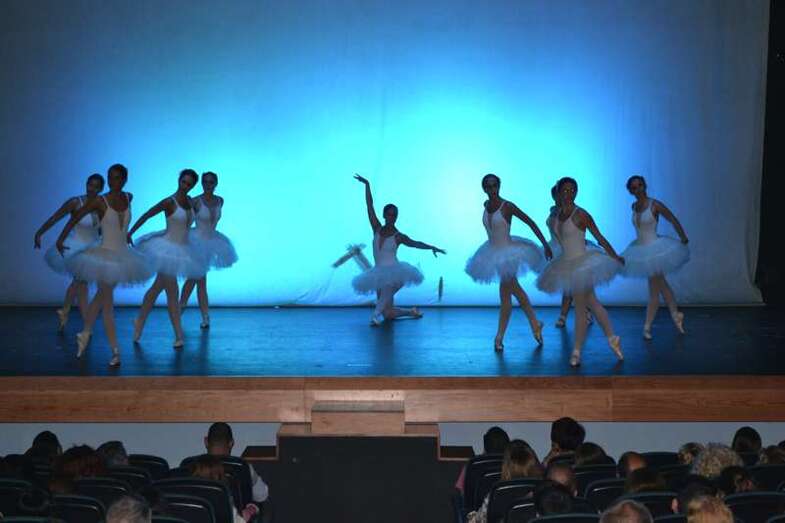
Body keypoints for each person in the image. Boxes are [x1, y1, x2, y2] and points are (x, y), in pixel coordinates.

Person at [57, 164, 152, 366]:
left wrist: (127, 234)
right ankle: (115, 351)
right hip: (104, 256)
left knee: (101, 299)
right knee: (107, 305)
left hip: (123, 257)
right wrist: (60, 239)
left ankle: (85, 333)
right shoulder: (100, 201)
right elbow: (75, 217)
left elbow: (121, 227)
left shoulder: (129, 197)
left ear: (124, 180)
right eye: (110, 177)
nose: (112, 181)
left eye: (116, 177)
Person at [537, 177, 624, 366]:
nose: (569, 194)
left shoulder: (581, 214)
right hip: (566, 263)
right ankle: (612, 338)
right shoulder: (555, 217)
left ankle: (576, 351)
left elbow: (599, 237)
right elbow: (560, 238)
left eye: (572, 190)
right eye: (565, 190)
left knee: (581, 306)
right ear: (558, 192)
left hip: (583, 264)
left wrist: (615, 256)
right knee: (592, 303)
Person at [465, 174, 552, 350]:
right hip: (492, 254)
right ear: (484, 189)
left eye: (494, 185)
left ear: (499, 186)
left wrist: (545, 245)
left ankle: (501, 337)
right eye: (488, 186)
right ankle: (534, 325)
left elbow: (531, 223)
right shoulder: (486, 205)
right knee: (511, 294)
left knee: (508, 294)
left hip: (509, 254)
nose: (492, 189)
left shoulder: (507, 206)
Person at [351, 175, 445, 325]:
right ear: (384, 215)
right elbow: (370, 206)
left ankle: (375, 315)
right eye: (389, 214)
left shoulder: (398, 236)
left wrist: (432, 247)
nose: (392, 217)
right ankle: (411, 312)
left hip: (395, 272)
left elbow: (415, 243)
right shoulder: (376, 228)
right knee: (388, 313)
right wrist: (367, 185)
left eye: (394, 215)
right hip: (378, 273)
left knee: (386, 294)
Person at [130, 169, 208, 347]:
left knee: (156, 289)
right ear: (179, 180)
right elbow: (148, 214)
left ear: (193, 186)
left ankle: (139, 321)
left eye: (189, 184)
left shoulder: (190, 201)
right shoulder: (169, 201)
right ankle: (178, 335)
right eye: (183, 182)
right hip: (166, 250)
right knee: (172, 291)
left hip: (184, 249)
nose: (185, 186)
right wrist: (130, 232)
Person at [621, 175, 689, 339]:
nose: (638, 189)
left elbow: (672, 218)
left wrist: (683, 237)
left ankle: (648, 326)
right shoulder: (634, 206)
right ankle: (675, 316)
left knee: (655, 289)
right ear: (630, 191)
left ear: (644, 186)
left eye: (640, 185)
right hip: (640, 249)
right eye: (634, 187)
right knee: (660, 286)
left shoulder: (655, 205)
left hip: (655, 249)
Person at [35, 173, 104, 330]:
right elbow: (55, 217)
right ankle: (86, 323)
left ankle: (65, 311)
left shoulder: (101, 205)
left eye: (96, 186)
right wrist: (39, 233)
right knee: (82, 283)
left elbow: (102, 229)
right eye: (89, 184)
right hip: (75, 247)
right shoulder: (76, 202)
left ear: (101, 189)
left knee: (79, 283)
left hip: (93, 247)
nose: (91, 189)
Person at [180, 171, 237, 328]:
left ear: (216, 183)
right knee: (197, 278)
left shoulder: (220, 201)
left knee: (198, 279)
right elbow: (187, 221)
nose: (208, 185)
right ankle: (195, 313)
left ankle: (185, 310)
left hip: (212, 242)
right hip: (196, 242)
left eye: (211, 182)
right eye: (205, 182)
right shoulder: (196, 201)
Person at [204, 422, 269, 503]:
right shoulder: (243, 468)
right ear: (231, 443)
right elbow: (262, 495)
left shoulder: (191, 466)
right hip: (233, 511)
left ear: (206, 441)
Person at [455, 426, 510, 495]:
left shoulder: (472, 465)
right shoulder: (511, 466)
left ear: (485, 444)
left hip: (475, 501)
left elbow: (462, 491)